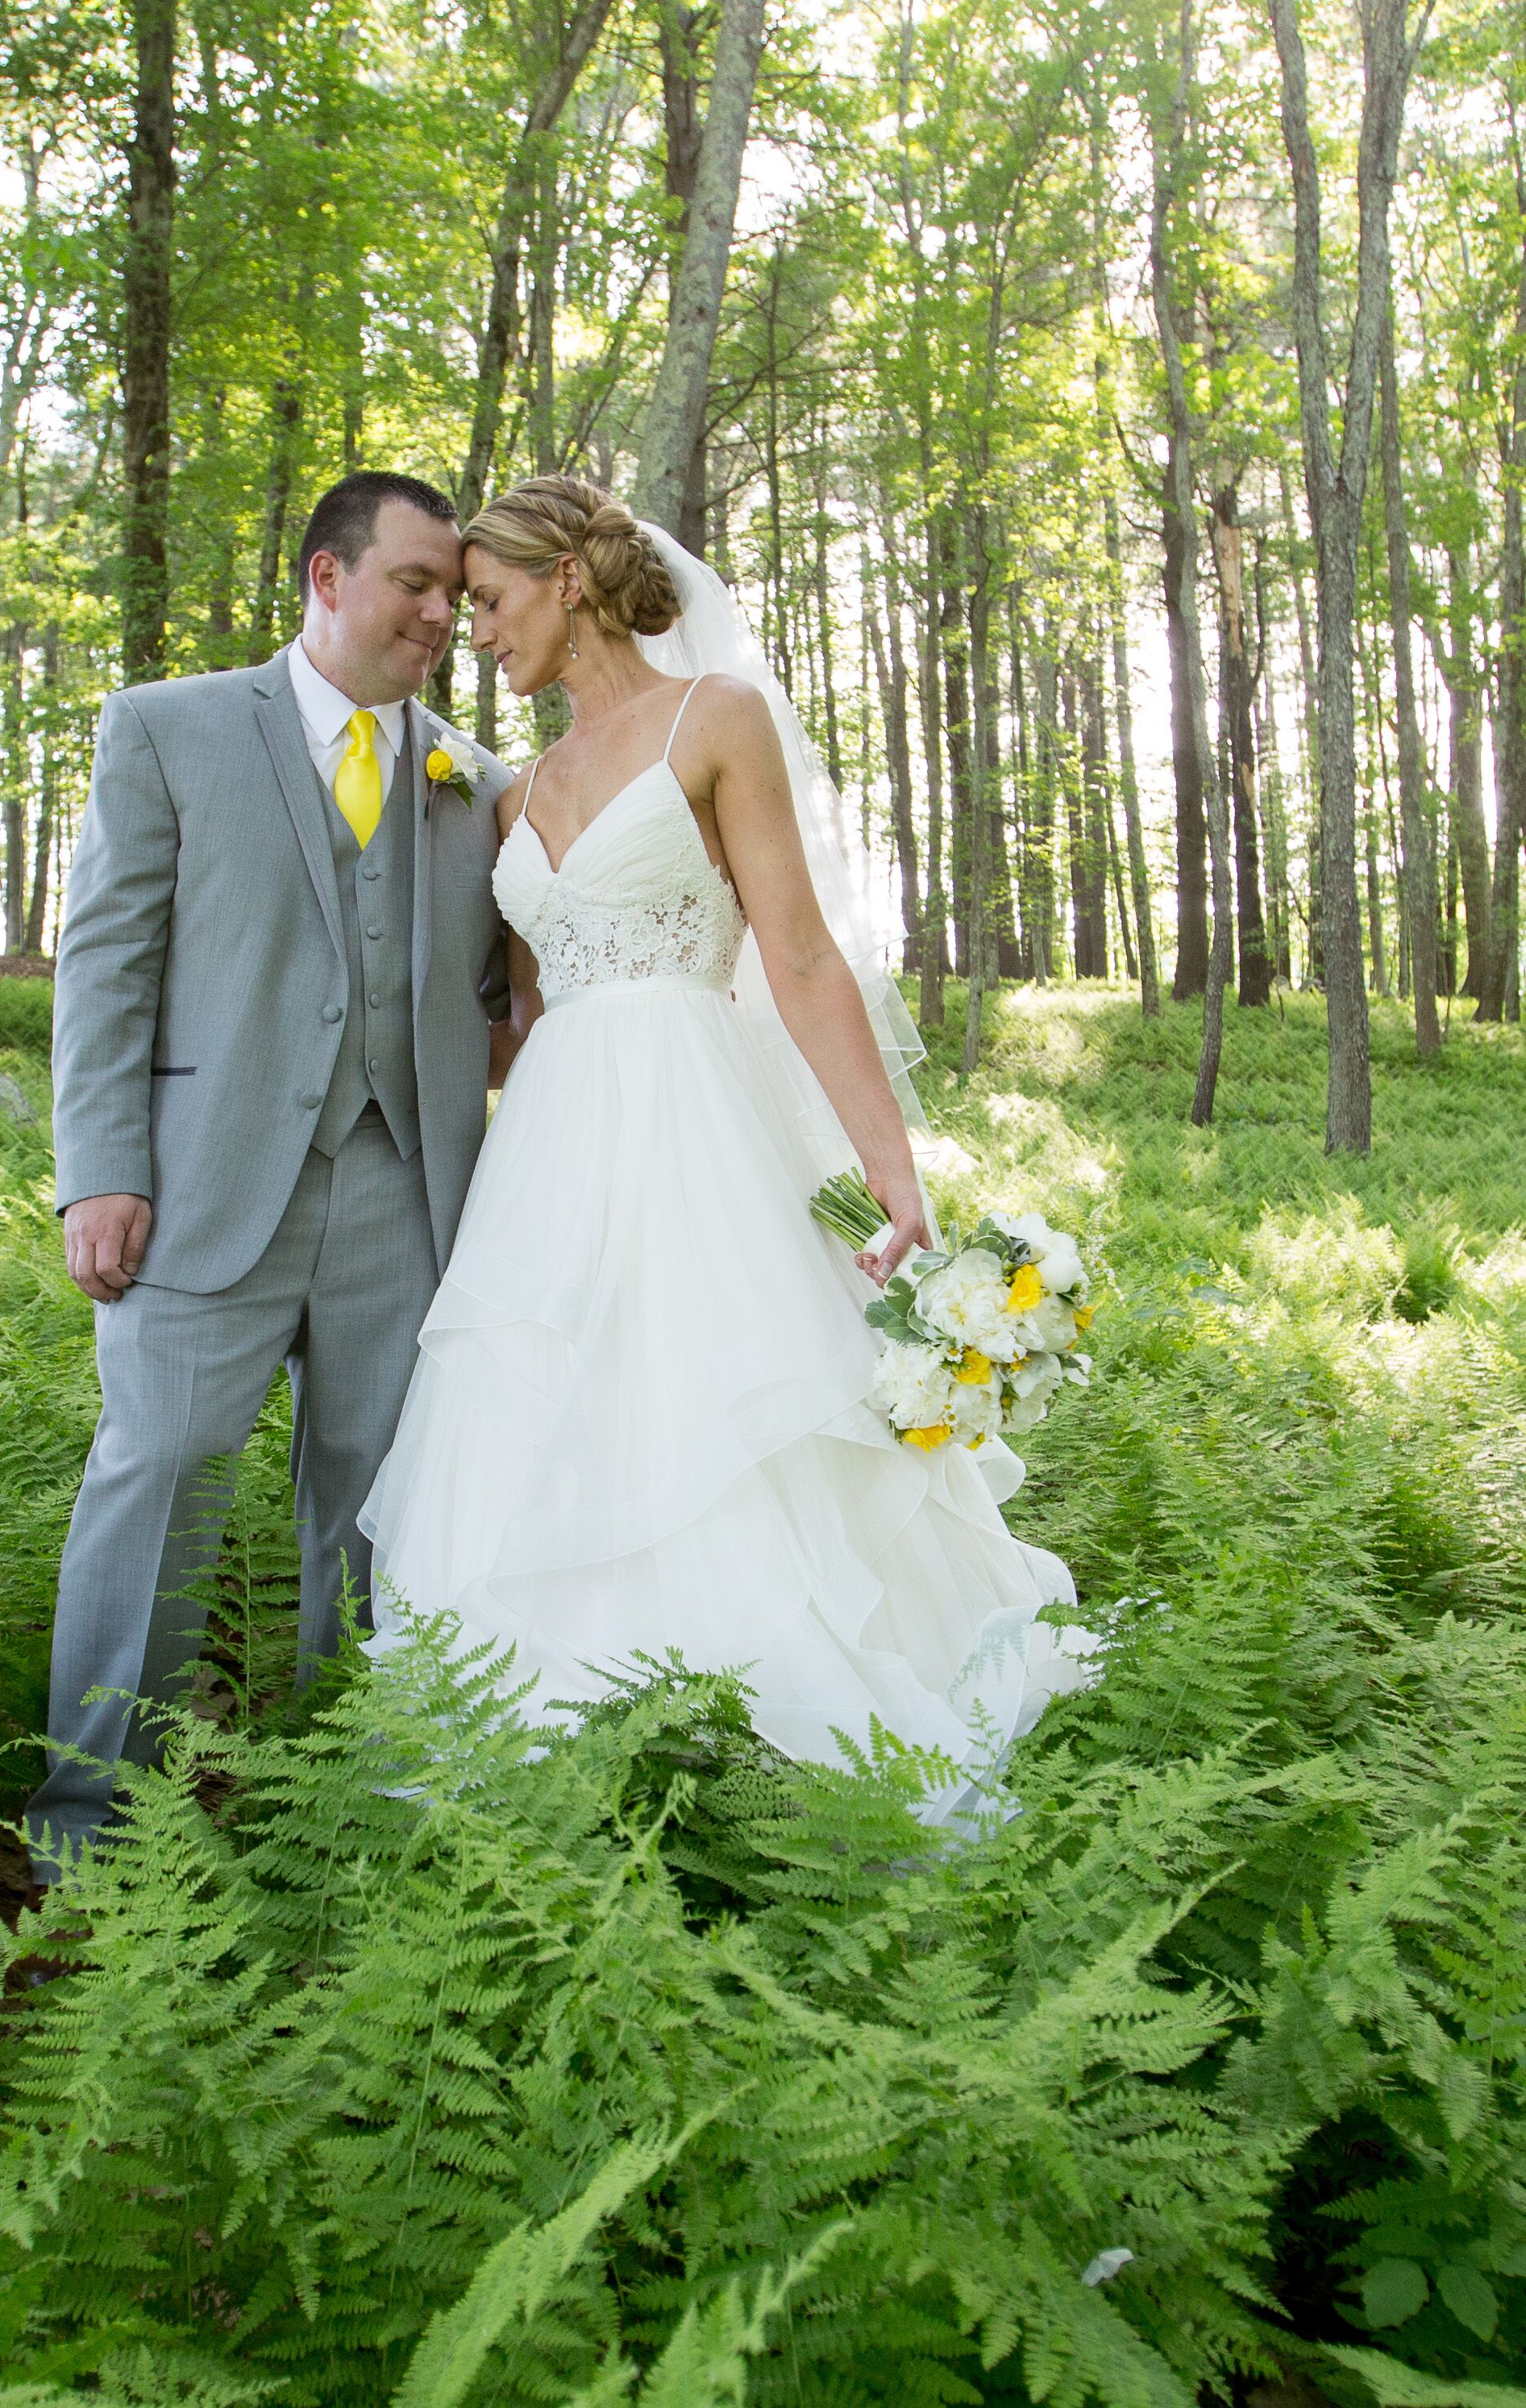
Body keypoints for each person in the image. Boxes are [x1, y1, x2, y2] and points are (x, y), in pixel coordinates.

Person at [356, 474, 1092, 1782]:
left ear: (567, 582)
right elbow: (521, 1016)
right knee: (534, 1414)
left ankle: (772, 1741)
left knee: (726, 1404)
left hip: (696, 1119)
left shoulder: (718, 719)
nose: (472, 633)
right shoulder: (512, 797)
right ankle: (568, 1738)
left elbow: (802, 958)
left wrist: (889, 1168)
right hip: (553, 1153)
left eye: (488, 601)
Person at [28, 471, 518, 1891]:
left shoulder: (474, 781)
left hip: (401, 1192)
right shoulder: (169, 729)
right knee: (161, 1471)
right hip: (199, 1185)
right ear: (326, 575)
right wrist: (101, 1169)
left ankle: (346, 1805)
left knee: (375, 1500)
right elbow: (107, 965)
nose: (443, 612)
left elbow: (497, 994)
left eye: (456, 593)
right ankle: (91, 1832)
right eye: (417, 582)